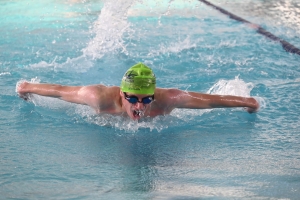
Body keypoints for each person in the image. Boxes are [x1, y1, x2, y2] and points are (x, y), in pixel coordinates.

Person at [17, 63, 259, 120]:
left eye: (146, 99)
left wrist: (246, 102)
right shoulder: (98, 97)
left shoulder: (168, 100)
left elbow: (209, 101)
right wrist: (27, 88)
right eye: (132, 98)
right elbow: (60, 91)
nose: (140, 106)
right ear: (122, 94)